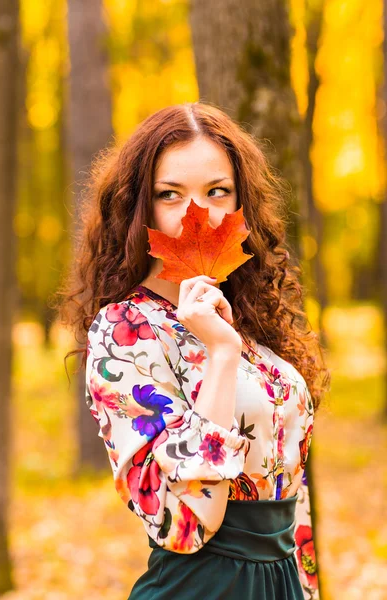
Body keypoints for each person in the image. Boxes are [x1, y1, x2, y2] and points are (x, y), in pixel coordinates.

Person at [56, 102, 330, 599]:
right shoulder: (127, 330)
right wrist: (220, 356)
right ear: (140, 208)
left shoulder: (252, 322)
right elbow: (187, 523)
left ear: (241, 201)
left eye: (217, 191)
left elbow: (294, 494)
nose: (196, 213)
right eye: (170, 194)